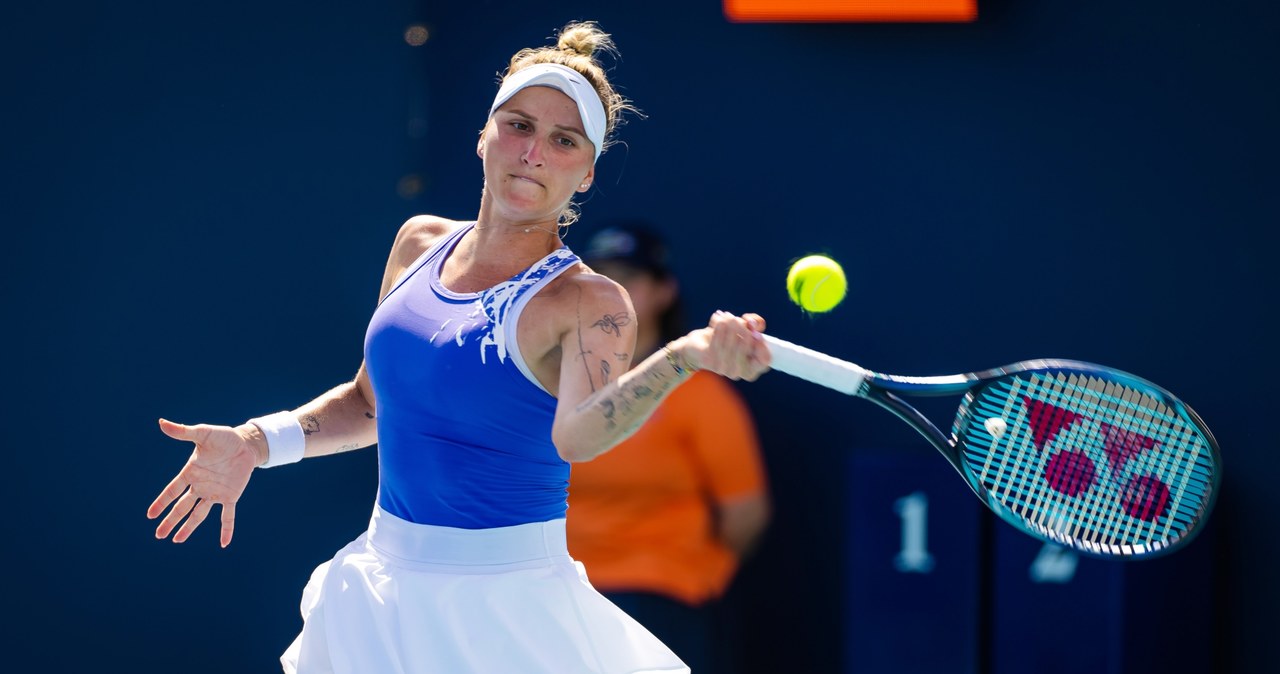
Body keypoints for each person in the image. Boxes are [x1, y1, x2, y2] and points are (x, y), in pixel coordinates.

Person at [145, 20, 772, 674]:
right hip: (381, 588)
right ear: (484, 136)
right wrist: (256, 441)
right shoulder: (417, 243)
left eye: (563, 141)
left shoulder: (590, 302)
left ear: (586, 174)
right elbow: (370, 402)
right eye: (519, 125)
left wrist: (683, 358)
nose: (533, 152)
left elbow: (579, 438)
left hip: (510, 615)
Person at [569, 224, 772, 674]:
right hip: (555, 596)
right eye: (600, 277)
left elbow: (745, 514)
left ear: (664, 292)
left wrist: (686, 566)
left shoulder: (703, 397)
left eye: (629, 277)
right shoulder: (552, 384)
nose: (614, 291)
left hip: (660, 601)